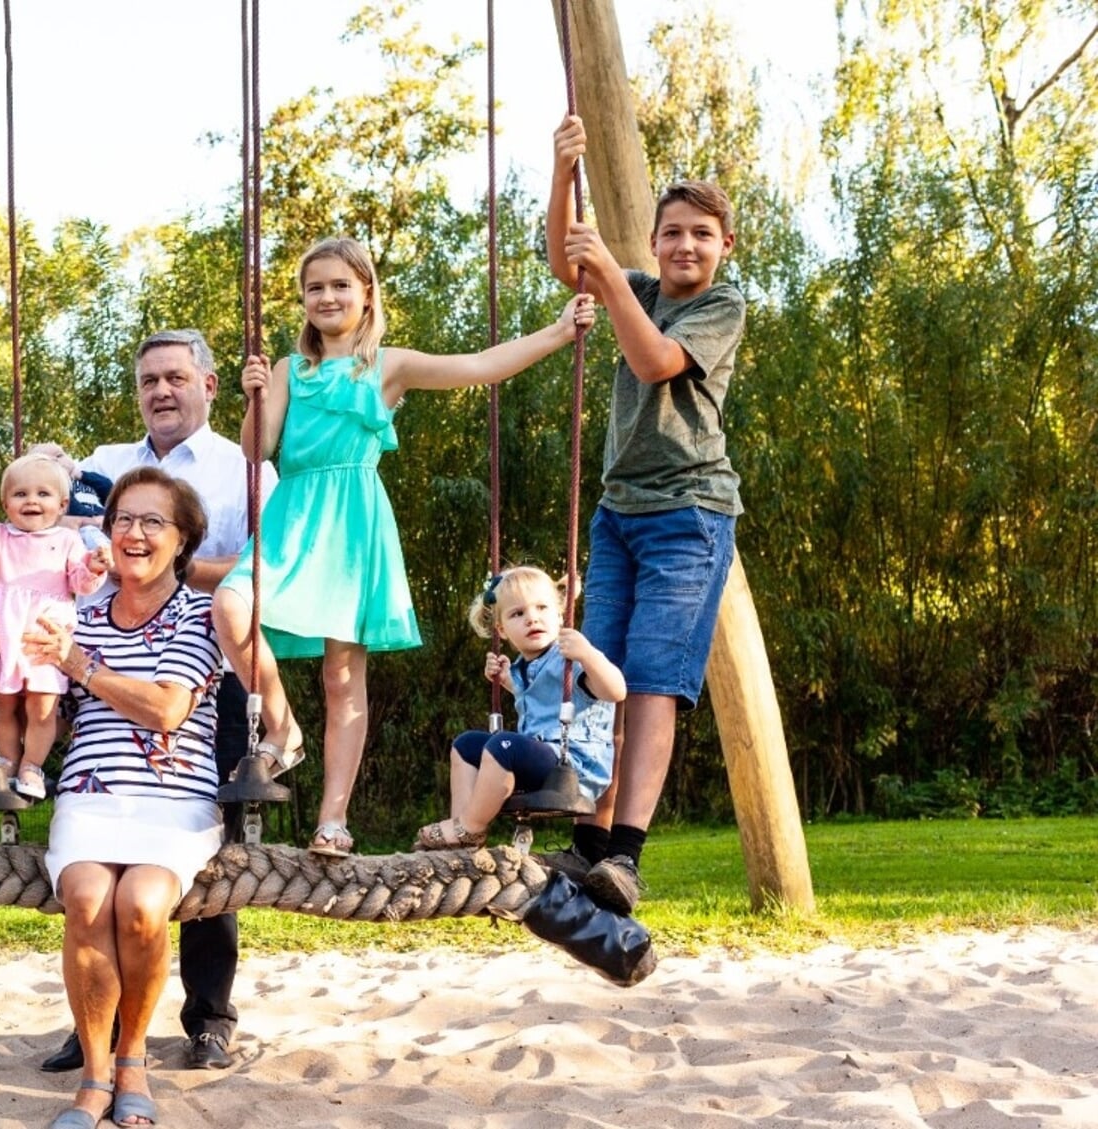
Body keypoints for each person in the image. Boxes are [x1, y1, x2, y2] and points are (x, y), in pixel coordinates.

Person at [213, 236, 597, 858]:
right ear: (304, 301)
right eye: (316, 287)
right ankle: (283, 729)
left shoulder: (387, 366)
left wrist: (556, 333)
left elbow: (478, 365)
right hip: (292, 516)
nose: (328, 296)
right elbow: (256, 450)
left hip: (352, 524)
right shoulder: (289, 370)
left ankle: (332, 820)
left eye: (341, 285)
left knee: (343, 676)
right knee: (231, 608)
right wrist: (254, 396)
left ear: (366, 294)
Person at [40, 329, 277, 1075]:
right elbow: (63, 536)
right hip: (105, 653)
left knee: (210, 849)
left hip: (208, 656)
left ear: (208, 385)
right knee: (96, 849)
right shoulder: (105, 464)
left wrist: (166, 562)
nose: (161, 391)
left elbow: (266, 562)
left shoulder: (242, 468)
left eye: (176, 376)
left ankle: (208, 1016)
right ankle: (95, 1028)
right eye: (149, 380)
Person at [544, 114, 747, 913]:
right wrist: (563, 174)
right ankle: (589, 844)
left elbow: (651, 360)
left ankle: (624, 855)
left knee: (653, 684)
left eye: (700, 234)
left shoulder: (720, 306)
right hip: (618, 513)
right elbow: (567, 260)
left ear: (722, 245)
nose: (684, 246)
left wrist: (605, 271)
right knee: (605, 683)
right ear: (654, 241)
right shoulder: (633, 286)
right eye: (671, 233)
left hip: (688, 514)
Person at [20, 467, 225, 1129]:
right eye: (123, 520)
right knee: (85, 897)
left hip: (174, 799)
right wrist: (3, 668)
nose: (133, 533)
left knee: (140, 903)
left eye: (152, 521)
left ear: (183, 538)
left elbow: (167, 707)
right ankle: (93, 1071)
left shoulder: (203, 613)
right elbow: (46, 711)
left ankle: (132, 1058)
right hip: (88, 794)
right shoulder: (72, 615)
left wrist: (79, 664)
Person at [413, 566, 626, 851]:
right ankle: (461, 832)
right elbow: (539, 699)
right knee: (466, 745)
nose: (532, 618)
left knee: (503, 745)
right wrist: (505, 681)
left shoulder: (570, 660)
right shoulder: (522, 669)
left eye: (541, 608)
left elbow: (616, 691)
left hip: (573, 767)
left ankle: (471, 827)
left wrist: (589, 655)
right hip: (541, 757)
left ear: (560, 615)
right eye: (518, 614)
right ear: (501, 629)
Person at [0, 451, 109, 799]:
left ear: (62, 503)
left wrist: (96, 568)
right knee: (5, 705)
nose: (31, 501)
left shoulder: (69, 540)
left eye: (43, 494)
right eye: (20, 494)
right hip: (7, 634)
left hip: (42, 636)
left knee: (42, 707)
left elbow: (80, 582)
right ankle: (8, 759)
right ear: (5, 503)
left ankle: (32, 766)